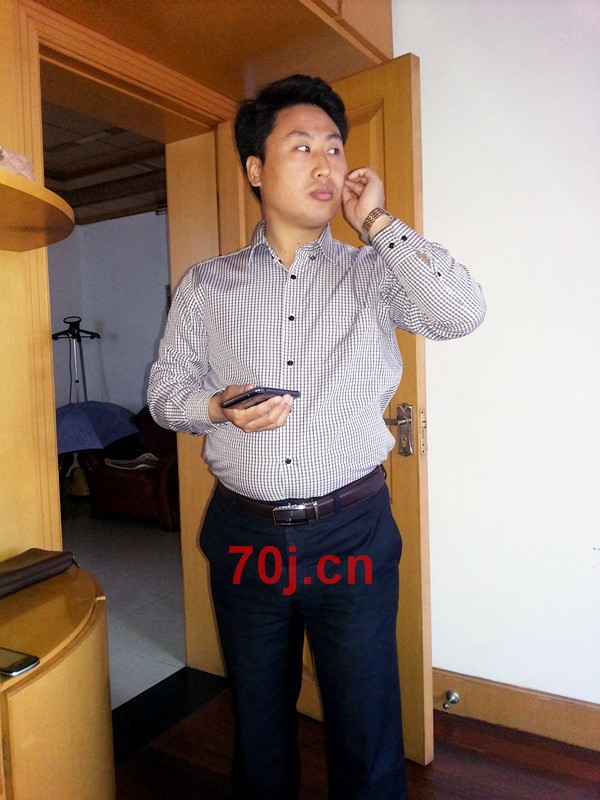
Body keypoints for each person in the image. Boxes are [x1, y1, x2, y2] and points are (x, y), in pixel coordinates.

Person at [148, 74, 486, 800]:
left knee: (366, 725)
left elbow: (460, 314)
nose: (325, 162)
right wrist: (217, 407)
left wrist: (380, 223)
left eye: (335, 146)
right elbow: (164, 395)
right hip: (245, 536)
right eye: (301, 146)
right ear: (256, 170)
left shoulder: (373, 271)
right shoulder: (208, 285)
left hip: (351, 533)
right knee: (259, 722)